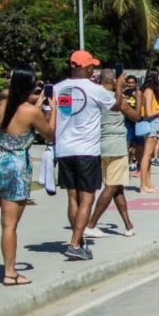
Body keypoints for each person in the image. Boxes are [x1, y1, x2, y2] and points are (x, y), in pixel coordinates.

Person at [54, 51, 119, 260]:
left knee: (72, 198)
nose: (93, 69)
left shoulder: (58, 88)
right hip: (86, 151)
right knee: (87, 198)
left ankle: (78, 240)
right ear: (86, 67)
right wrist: (119, 88)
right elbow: (116, 105)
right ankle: (74, 243)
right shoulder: (95, 90)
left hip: (64, 150)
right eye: (91, 66)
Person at [0, 65, 55, 285]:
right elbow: (50, 136)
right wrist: (53, 112)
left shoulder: (3, 105)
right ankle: (10, 272)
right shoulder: (31, 112)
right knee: (9, 225)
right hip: (16, 167)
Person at [86, 69, 138, 238]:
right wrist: (138, 99)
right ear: (113, 82)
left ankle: (128, 224)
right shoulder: (115, 99)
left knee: (117, 187)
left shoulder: (95, 96)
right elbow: (136, 116)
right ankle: (91, 224)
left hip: (100, 144)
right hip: (116, 145)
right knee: (112, 186)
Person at [138, 69, 159, 193]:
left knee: (148, 155)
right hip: (151, 122)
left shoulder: (149, 91)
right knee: (147, 155)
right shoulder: (149, 91)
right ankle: (143, 184)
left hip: (152, 123)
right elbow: (149, 113)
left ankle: (148, 183)